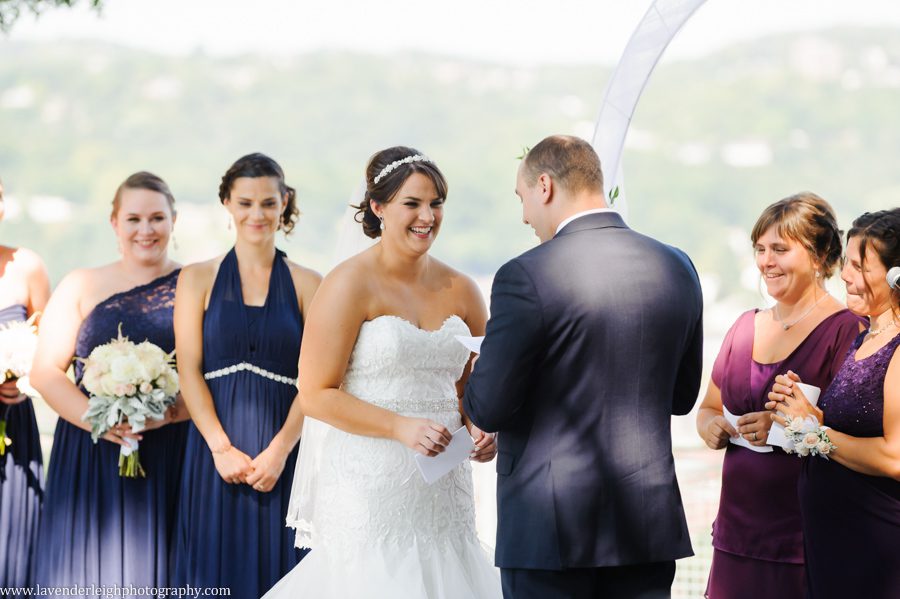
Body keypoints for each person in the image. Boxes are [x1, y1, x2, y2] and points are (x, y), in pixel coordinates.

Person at [463, 134, 703, 599]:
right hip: (646, 531)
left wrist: (482, 358)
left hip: (550, 535)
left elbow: (488, 408)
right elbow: (681, 397)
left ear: (545, 186)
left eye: (522, 198)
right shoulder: (678, 265)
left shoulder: (525, 274)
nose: (524, 216)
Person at [264, 146, 500, 599]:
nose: (427, 216)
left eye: (435, 203)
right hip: (369, 493)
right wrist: (399, 426)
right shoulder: (348, 283)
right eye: (412, 203)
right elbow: (314, 393)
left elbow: (471, 388)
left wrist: (481, 429)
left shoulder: (464, 289)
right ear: (378, 207)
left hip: (444, 496)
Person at [695, 192, 863, 599]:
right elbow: (708, 407)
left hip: (802, 536)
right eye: (760, 249)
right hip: (735, 532)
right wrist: (712, 426)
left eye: (780, 250)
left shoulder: (848, 330)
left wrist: (784, 427)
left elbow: (856, 431)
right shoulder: (743, 326)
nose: (766, 261)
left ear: (819, 256)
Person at [30, 172, 189, 591]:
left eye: (157, 218)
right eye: (133, 219)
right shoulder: (80, 284)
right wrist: (101, 420)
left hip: (169, 448)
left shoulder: (196, 285)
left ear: (173, 220)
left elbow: (210, 375)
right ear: (114, 222)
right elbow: (45, 372)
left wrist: (170, 415)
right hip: (90, 447)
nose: (145, 230)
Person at [172, 153, 321, 597]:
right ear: (227, 204)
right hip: (213, 453)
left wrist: (280, 451)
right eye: (245, 203)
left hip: (285, 455)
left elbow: (317, 381)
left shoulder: (309, 283)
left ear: (284, 203)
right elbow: (188, 370)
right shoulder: (196, 278)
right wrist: (220, 449)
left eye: (268, 203)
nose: (257, 214)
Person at [767, 208, 900, 599]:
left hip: (876, 552)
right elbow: (852, 430)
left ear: (896, 277)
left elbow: (895, 457)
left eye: (859, 266)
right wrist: (800, 410)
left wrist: (813, 429)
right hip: (835, 545)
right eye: (846, 263)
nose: (844, 275)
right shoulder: (864, 338)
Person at [0, 175, 51, 588]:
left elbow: (52, 347)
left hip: (13, 424)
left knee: (14, 547)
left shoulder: (27, 266)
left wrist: (25, 372)